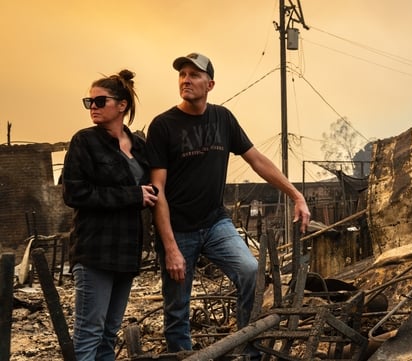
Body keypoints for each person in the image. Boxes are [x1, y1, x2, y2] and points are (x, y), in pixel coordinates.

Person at [146, 52, 311, 354]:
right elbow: (158, 190)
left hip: (215, 223)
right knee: (177, 305)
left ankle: (248, 350)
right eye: (182, 74)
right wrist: (170, 247)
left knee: (250, 272)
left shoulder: (223, 118)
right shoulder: (163, 125)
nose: (186, 80)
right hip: (178, 229)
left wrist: (296, 194)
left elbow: (257, 160)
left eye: (194, 75)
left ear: (210, 84)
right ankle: (183, 357)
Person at [62, 69, 158, 361]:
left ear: (122, 105)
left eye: (100, 101)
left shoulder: (140, 146)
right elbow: (74, 193)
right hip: (95, 251)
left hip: (127, 253)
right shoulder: (84, 142)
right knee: (89, 333)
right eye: (88, 102)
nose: (92, 107)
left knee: (109, 333)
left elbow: (154, 185)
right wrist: (133, 195)